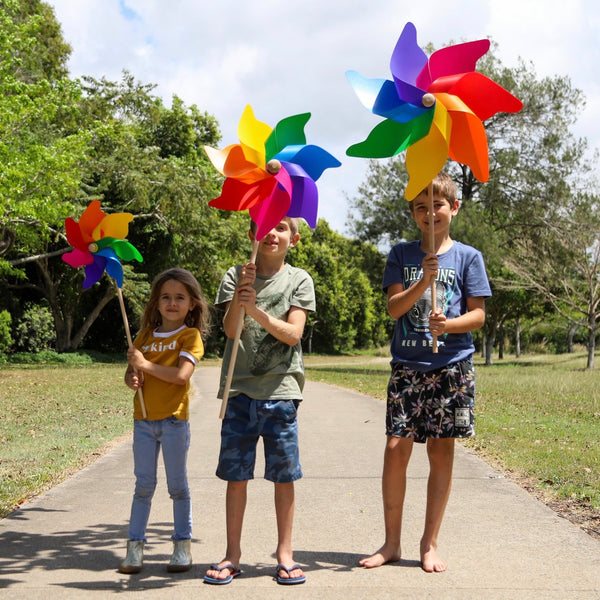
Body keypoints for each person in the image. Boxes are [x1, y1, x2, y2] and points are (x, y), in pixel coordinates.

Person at [360, 172, 491, 573]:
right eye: (420, 206)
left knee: (441, 452)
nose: (429, 212)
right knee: (395, 449)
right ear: (413, 213)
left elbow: (478, 315)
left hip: (451, 367)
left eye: (437, 204)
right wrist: (424, 282)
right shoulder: (401, 254)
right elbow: (395, 308)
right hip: (408, 368)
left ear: (454, 207)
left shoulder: (469, 257)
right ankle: (391, 542)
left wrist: (447, 326)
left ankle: (429, 543)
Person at [204, 217, 315, 586]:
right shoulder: (236, 275)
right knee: (236, 477)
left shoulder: (299, 280)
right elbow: (232, 330)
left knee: (283, 476)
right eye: (263, 224)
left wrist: (257, 310)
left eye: (281, 227)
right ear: (252, 233)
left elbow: (293, 334)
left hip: (281, 393)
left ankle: (285, 553)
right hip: (239, 392)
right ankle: (232, 554)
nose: (271, 232)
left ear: (293, 239)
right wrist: (241, 297)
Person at [119, 268, 210, 574]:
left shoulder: (189, 336)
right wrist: (133, 375)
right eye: (166, 297)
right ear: (156, 304)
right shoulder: (144, 335)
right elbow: (133, 374)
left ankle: (182, 547)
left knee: (177, 486)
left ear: (192, 304)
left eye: (180, 297)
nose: (172, 303)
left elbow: (181, 376)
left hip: (173, 421)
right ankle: (134, 548)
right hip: (143, 421)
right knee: (143, 486)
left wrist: (146, 364)